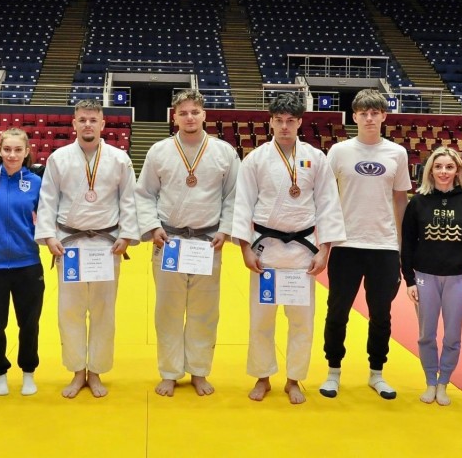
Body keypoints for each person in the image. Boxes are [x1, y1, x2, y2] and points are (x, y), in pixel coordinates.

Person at [232, 93, 346, 404]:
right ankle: (262, 377)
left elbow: (328, 205)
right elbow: (242, 205)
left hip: (302, 253)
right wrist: (244, 249)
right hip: (265, 252)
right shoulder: (255, 159)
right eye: (279, 120)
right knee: (261, 320)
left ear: (300, 122)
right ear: (270, 121)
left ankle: (293, 379)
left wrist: (325, 250)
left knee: (301, 321)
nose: (284, 126)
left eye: (291, 121)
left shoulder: (315, 158)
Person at [136, 89, 240, 397]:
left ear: (204, 115)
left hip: (208, 243)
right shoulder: (159, 151)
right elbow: (144, 194)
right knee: (167, 310)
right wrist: (152, 226)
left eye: (195, 112)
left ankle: (198, 371)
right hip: (169, 241)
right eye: (183, 113)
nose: (189, 117)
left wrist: (226, 229)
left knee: (204, 311)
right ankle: (169, 371)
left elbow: (234, 196)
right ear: (174, 116)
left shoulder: (224, 152)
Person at [35, 99, 139, 398]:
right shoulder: (59, 158)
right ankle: (77, 371)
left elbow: (129, 200)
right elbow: (48, 200)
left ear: (103, 123)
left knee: (104, 312)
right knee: (70, 312)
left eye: (93, 119)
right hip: (70, 245)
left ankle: (96, 372)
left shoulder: (120, 159)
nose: (88, 124)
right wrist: (49, 235)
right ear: (74, 123)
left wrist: (127, 234)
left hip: (107, 245)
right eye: (82, 120)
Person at [321, 89, 410, 400]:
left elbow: (401, 200)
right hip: (346, 245)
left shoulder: (397, 154)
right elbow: (326, 197)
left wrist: (400, 245)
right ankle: (333, 371)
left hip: (384, 246)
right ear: (354, 116)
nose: (370, 118)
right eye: (364, 113)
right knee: (337, 312)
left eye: (375, 113)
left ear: (384, 116)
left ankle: (377, 373)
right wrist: (325, 241)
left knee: (381, 314)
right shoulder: (339, 152)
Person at [401, 146, 462, 406]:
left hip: (459, 278)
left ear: (458, 170)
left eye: (449, 167)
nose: (444, 172)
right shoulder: (418, 203)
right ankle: (430, 381)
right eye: (438, 167)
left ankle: (444, 381)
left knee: (452, 335)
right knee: (426, 334)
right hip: (425, 277)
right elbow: (408, 244)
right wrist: (409, 280)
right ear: (430, 170)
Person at [0, 128, 44, 397]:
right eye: (7, 149)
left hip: (27, 263)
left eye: (18, 150)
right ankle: (0, 373)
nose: (12, 155)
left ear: (27, 152)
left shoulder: (36, 182)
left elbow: (50, 218)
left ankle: (28, 372)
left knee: (29, 323)